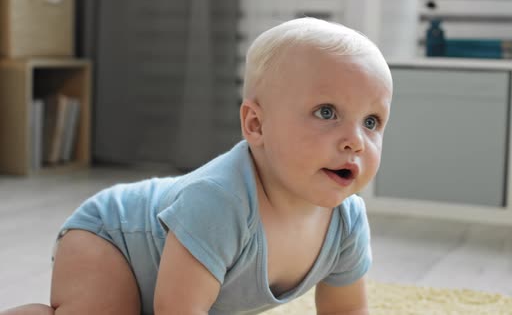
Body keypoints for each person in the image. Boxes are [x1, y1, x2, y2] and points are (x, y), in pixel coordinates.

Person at [1, 17, 393, 315]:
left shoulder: (346, 221)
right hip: (111, 237)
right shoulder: (220, 202)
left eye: (371, 122)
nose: (355, 140)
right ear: (256, 125)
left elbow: (347, 311)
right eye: (327, 112)